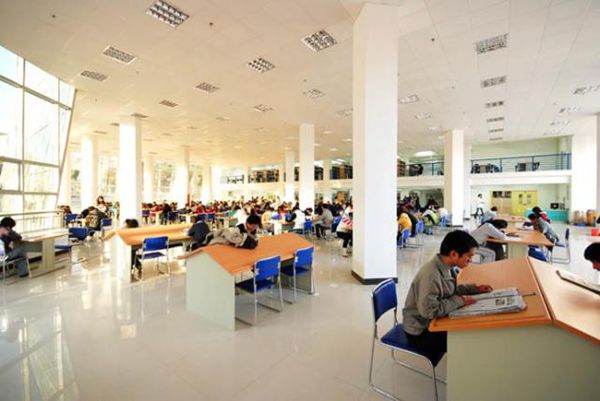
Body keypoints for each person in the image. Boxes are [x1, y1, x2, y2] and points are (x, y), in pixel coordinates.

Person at [402, 230, 492, 366]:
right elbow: (429, 311)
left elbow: (450, 290)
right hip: (420, 331)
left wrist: (475, 289)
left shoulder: (447, 266)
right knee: (467, 340)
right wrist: (461, 301)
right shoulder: (431, 275)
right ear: (454, 254)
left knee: (469, 330)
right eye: (469, 256)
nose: (471, 260)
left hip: (429, 322)